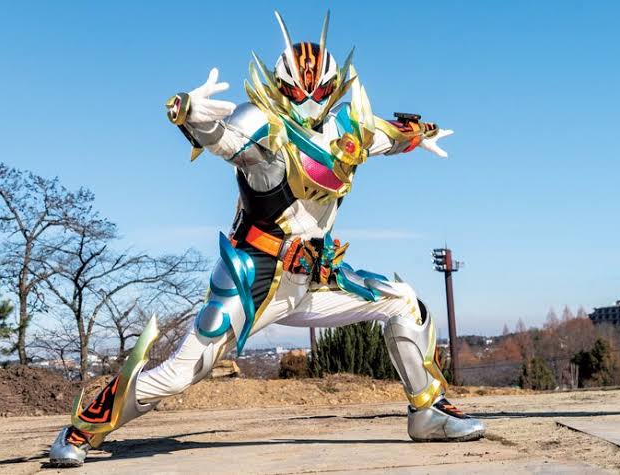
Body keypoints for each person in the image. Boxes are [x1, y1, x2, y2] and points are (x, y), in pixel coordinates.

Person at [49, 11, 484, 467]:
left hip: (314, 279)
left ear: (333, 88)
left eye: (319, 91)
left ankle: (427, 412)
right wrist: (190, 113)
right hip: (253, 278)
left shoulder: (349, 130)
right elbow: (223, 139)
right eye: (299, 90)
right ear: (280, 87)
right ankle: (82, 429)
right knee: (181, 372)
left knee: (403, 303)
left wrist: (422, 133)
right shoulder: (264, 128)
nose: (309, 100)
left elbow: (388, 136)